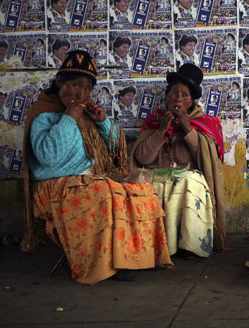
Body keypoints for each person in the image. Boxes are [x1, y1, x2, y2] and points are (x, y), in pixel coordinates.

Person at [22, 50, 173, 284]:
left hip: (89, 180)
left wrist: (102, 122)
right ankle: (107, 265)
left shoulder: (85, 113)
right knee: (102, 192)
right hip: (56, 186)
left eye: (86, 89)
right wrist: (69, 118)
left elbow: (116, 148)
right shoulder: (44, 115)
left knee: (142, 187)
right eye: (75, 85)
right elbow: (48, 157)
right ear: (60, 81)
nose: (80, 94)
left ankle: (136, 258)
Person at [130, 63, 228, 257]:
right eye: (174, 94)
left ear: (192, 101)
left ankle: (188, 246)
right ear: (166, 97)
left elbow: (206, 159)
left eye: (185, 96)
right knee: (141, 184)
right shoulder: (154, 121)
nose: (178, 99)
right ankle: (151, 245)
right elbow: (141, 158)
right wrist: (161, 131)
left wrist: (186, 128)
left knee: (187, 181)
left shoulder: (206, 123)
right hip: (156, 175)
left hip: (186, 175)